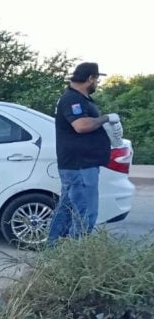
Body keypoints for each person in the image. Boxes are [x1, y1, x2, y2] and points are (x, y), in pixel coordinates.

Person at [46, 61, 117, 245]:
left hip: (79, 164)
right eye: (96, 80)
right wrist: (106, 118)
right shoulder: (72, 99)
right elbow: (81, 126)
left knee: (67, 209)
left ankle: (53, 250)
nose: (97, 84)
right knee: (84, 213)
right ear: (90, 78)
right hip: (80, 165)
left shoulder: (80, 99)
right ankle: (78, 256)